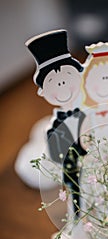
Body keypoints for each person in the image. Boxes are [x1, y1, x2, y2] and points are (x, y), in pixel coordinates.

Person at [25, 29, 86, 215]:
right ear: (43, 91)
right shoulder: (55, 126)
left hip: (93, 166)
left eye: (67, 76)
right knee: (77, 197)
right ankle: (78, 217)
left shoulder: (85, 113)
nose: (61, 84)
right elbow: (55, 152)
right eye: (52, 80)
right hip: (71, 168)